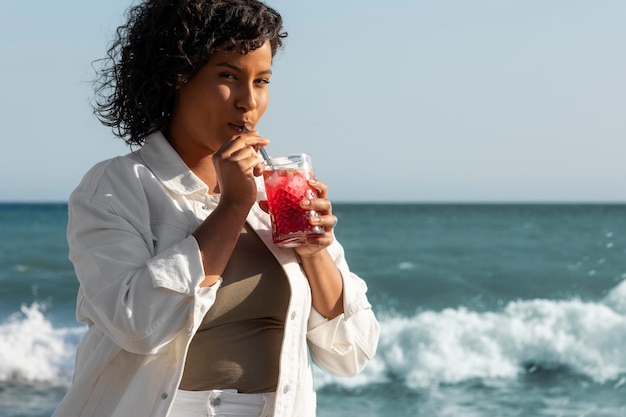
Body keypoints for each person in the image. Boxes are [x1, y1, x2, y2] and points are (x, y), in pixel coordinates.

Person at [53, 1, 379, 416]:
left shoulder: (280, 190)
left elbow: (351, 353)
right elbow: (137, 325)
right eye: (228, 75)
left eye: (261, 81)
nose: (248, 101)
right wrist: (232, 206)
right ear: (175, 76)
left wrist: (314, 254)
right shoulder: (116, 187)